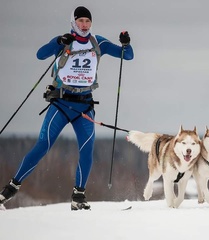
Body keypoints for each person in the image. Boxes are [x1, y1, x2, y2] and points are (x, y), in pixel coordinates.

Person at [0, 6, 134, 210]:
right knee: (43, 145)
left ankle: (78, 196)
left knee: (87, 150)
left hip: (84, 106)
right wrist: (57, 43)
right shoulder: (64, 41)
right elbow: (40, 54)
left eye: (87, 21)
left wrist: (126, 43)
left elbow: (128, 56)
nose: (84, 25)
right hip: (61, 104)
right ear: (73, 22)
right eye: (80, 21)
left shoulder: (98, 43)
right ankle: (10, 189)